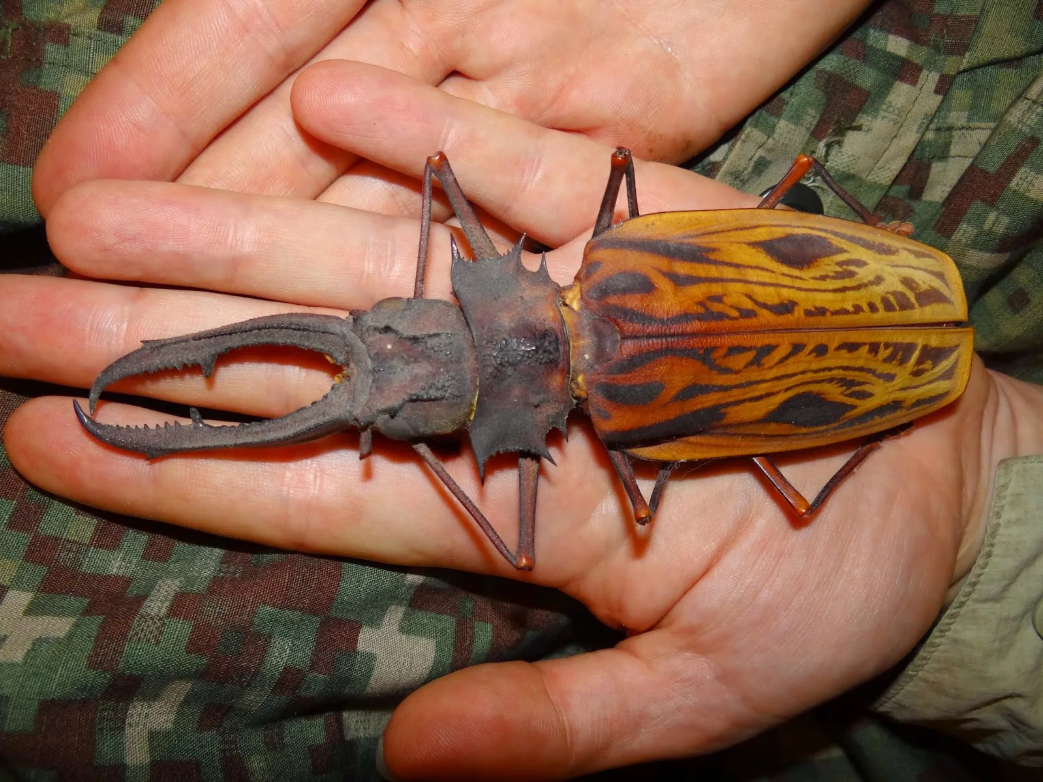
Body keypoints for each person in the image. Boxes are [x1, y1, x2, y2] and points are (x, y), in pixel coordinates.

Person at [1, 1, 1041, 779]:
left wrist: (968, 489)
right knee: (789, 218)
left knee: (795, 486)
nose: (382, 352)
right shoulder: (616, 263)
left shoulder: (617, 359)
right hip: (874, 309)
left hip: (886, 342)